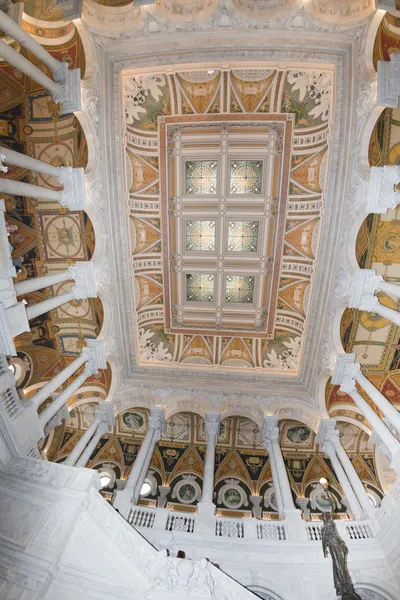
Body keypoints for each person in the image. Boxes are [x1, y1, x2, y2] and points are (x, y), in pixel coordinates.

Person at [321, 512, 361, 600]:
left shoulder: (332, 524)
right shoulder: (324, 528)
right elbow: (323, 539)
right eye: (325, 516)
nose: (326, 517)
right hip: (332, 545)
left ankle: (345, 584)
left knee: (342, 564)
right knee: (337, 565)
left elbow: (337, 535)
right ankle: (342, 584)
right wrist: (324, 550)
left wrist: (343, 544)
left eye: (327, 516)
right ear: (323, 518)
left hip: (338, 544)